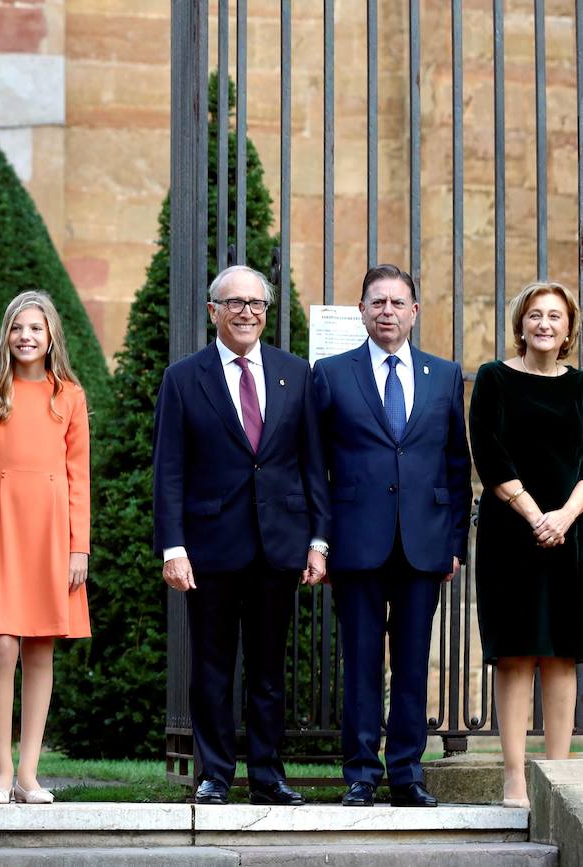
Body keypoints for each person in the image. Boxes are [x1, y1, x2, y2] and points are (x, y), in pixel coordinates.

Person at [153, 264, 329, 807]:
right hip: (209, 548)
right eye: (234, 304)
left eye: (255, 304)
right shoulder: (184, 377)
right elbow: (169, 469)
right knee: (210, 667)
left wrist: (319, 540)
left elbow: (312, 463)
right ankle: (215, 774)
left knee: (270, 668)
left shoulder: (295, 373)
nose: (246, 312)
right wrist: (173, 547)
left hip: (279, 545)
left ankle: (269, 775)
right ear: (213, 312)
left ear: (267, 312)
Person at [313, 264, 472, 808]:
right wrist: (321, 540)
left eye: (397, 302)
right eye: (376, 302)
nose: (387, 311)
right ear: (361, 311)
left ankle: (406, 773)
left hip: (424, 545)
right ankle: (360, 774)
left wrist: (454, 544)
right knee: (359, 663)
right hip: (356, 544)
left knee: (411, 664)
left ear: (414, 312)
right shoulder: (331, 374)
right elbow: (316, 465)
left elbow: (457, 465)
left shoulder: (444, 375)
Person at [0, 291, 90, 806]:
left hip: (52, 532)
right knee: (1, 644)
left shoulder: (70, 397)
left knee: (41, 645)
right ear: (6, 335)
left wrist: (78, 547)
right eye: (18, 328)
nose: (26, 337)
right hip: (0, 527)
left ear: (51, 334)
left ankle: (29, 775)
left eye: (36, 328)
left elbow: (79, 476)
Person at [468, 281, 583, 809]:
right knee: (515, 654)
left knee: (561, 655)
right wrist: (538, 516)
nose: (544, 324)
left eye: (554, 317)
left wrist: (565, 516)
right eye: (535, 315)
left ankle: (558, 778)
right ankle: (515, 777)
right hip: (511, 532)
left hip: (572, 533)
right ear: (521, 324)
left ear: (568, 329)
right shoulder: (493, 378)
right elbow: (489, 453)